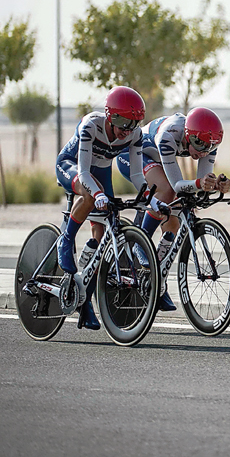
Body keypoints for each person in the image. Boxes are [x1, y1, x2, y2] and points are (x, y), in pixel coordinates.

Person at [54, 86, 160, 330]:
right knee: (90, 196)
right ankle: (66, 240)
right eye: (122, 120)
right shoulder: (91, 125)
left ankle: (85, 300)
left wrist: (153, 202)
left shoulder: (134, 135)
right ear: (109, 115)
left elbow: (137, 176)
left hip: (101, 172)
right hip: (72, 165)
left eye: (134, 122)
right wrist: (98, 193)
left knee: (101, 236)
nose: (127, 128)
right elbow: (82, 173)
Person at [116, 107, 230, 311]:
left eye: (209, 148)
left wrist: (215, 186)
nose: (203, 152)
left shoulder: (207, 142)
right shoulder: (169, 135)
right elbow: (177, 184)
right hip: (132, 155)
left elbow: (200, 187)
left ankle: (157, 279)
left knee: (174, 221)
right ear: (187, 134)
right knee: (167, 191)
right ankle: (140, 244)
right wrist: (199, 183)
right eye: (199, 144)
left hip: (156, 161)